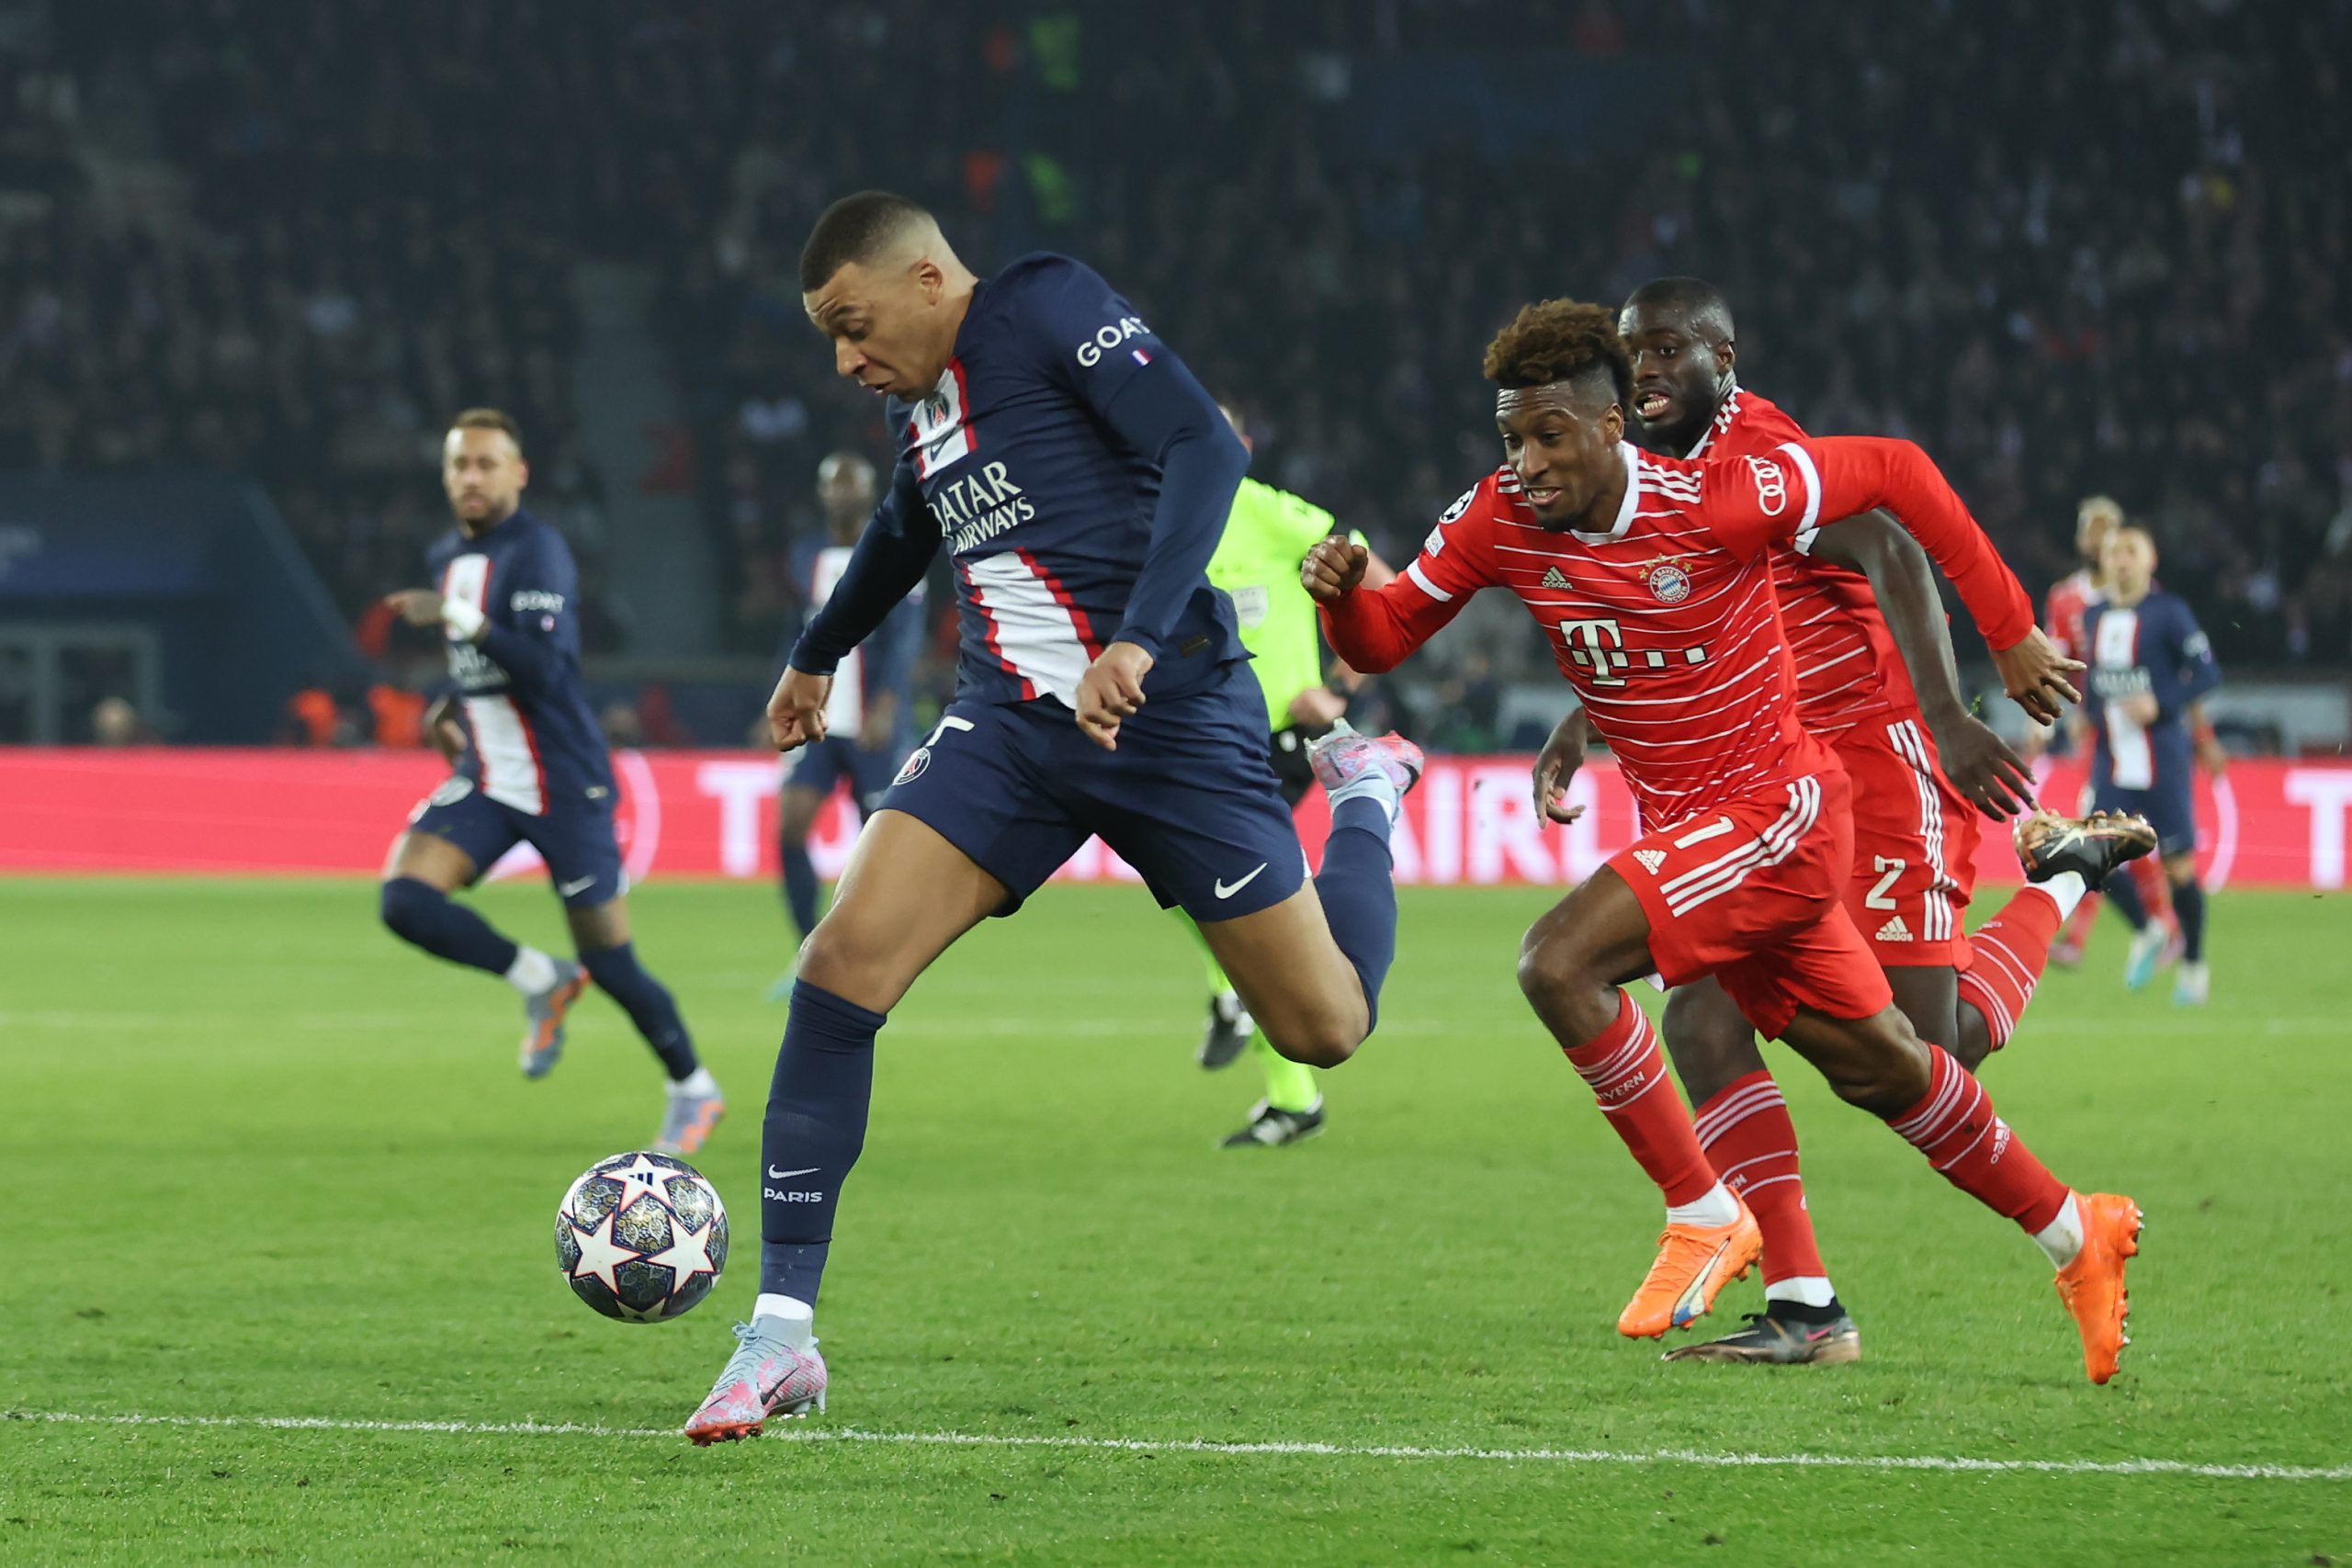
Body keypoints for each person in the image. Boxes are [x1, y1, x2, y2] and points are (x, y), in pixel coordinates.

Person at [684, 193, 1421, 1443]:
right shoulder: (925, 413)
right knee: (840, 966)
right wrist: (815, 654)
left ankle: (1364, 793)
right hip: (1013, 732)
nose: (845, 361)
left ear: (925, 278)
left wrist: (1135, 634)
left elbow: (1206, 447)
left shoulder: (1042, 304)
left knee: (1326, 1022)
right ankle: (780, 1333)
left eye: (853, 325)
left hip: (1173, 716)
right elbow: (902, 531)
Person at [1310, 299, 2141, 1385]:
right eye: (1512, 436)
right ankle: (2061, 1237)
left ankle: (1703, 1211)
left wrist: (2009, 629)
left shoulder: (1722, 495)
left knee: (1557, 962)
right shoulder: (1497, 516)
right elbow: (1385, 636)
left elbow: (1894, 476)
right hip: (1701, 829)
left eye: (1550, 434)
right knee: (1876, 1064)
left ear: (1611, 427)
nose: (1526, 461)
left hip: (1778, 815)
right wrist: (1340, 601)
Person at [379, 409, 724, 1156]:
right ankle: (539, 977)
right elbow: (483, 664)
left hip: (565, 781)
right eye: (459, 464)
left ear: (519, 472)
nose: (471, 476)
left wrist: (460, 618)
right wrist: (448, 701)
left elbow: (546, 668)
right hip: (489, 776)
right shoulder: (447, 554)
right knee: (404, 899)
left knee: (612, 959)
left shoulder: (540, 553)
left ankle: (694, 1086)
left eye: (486, 463)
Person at [1186, 401, 1397, 1147]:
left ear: (1242, 445)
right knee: (1199, 895)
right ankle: (1283, 1082)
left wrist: (1351, 671)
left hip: (1270, 741)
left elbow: (1373, 569)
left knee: (1241, 909)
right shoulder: (1158, 512)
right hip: (1197, 736)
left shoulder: (1268, 512)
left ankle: (1247, 1021)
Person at [771, 450, 924, 995]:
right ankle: (808, 951)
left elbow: (907, 635)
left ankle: (883, 954)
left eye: (849, 483)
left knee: (877, 844)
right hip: (818, 721)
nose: (840, 493)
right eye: (831, 484)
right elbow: (797, 632)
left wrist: (886, 703)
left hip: (869, 723)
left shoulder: (893, 545)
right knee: (790, 827)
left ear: (867, 490)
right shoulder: (805, 553)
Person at [2083, 526, 2222, 1003]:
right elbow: (2092, 681)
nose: (2121, 561)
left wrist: (2161, 706)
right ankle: (2148, 929)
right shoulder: (2093, 615)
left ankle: (2194, 965)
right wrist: (2084, 718)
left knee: (2179, 867)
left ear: (2150, 560)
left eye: (2131, 552)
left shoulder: (2169, 613)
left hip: (2163, 759)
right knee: (2092, 856)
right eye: (2114, 553)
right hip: (2113, 759)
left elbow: (2207, 672)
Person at [2042, 496, 2177, 966]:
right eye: (2091, 529)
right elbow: (2053, 665)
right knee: (2108, 831)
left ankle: (2153, 929)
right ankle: (2159, 929)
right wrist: (2049, 718)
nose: (2100, 540)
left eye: (2109, 530)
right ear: (2082, 539)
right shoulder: (2065, 598)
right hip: (2095, 732)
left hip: (2138, 736)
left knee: (2105, 831)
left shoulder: (2144, 595)